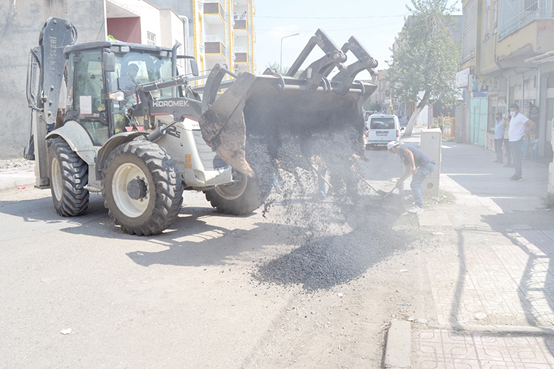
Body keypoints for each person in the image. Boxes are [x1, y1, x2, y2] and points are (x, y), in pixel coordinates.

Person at [387, 141, 436, 213]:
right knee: (417, 184)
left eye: (391, 151)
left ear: (393, 148)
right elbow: (407, 171)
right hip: (427, 165)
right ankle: (418, 202)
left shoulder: (401, 148)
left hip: (426, 165)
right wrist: (400, 181)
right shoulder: (402, 156)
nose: (392, 153)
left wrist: (413, 166)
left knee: (414, 184)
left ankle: (419, 206)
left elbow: (409, 153)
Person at [508, 103, 535, 181]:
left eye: (513, 110)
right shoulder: (513, 117)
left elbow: (531, 123)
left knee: (517, 158)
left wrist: (526, 132)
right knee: (514, 158)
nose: (512, 112)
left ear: (518, 110)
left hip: (517, 140)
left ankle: (519, 175)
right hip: (512, 140)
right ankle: (516, 173)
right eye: (511, 110)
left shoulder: (521, 116)